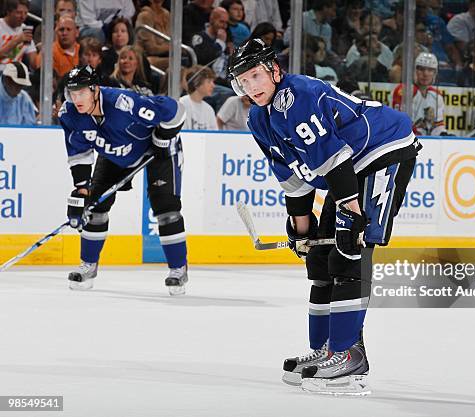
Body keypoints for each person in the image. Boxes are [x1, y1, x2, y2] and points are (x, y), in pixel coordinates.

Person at [227, 39, 421, 395]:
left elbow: (332, 160)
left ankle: (349, 355)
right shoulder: (258, 117)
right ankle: (325, 351)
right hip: (348, 168)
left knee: (349, 248)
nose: (251, 86)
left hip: (382, 151)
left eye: (256, 75)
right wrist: (302, 230)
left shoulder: (297, 96)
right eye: (243, 79)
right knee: (320, 259)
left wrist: (352, 213)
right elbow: (293, 179)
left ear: (274, 69)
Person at [58, 65, 188, 295]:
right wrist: (81, 192)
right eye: (72, 93)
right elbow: (79, 155)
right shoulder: (70, 115)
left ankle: (178, 270)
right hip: (114, 154)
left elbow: (176, 111)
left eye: (81, 92)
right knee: (95, 206)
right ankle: (88, 266)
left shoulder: (124, 103)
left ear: (94, 89)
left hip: (157, 152)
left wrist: (162, 136)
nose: (76, 98)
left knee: (165, 209)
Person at [392, 52, 449, 136]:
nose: (425, 74)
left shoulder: (436, 95)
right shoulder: (405, 90)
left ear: (435, 73)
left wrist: (443, 133)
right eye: (421, 69)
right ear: (415, 71)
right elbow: (398, 123)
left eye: (430, 70)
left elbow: (437, 125)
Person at [0, 0, 38, 72]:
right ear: (8, 12)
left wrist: (44, 49)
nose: (23, 17)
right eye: (19, 12)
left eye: (25, 13)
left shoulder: (25, 29)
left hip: (17, 74)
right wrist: (16, 41)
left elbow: (34, 64)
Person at [179, 65, 217, 130]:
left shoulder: (209, 109)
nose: (213, 85)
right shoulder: (181, 104)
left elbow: (214, 134)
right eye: (209, 82)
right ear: (196, 83)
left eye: (213, 82)